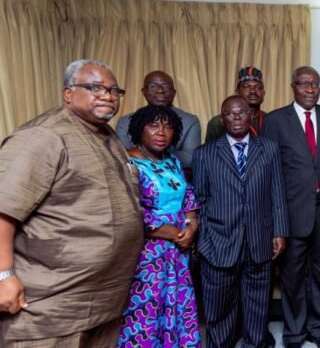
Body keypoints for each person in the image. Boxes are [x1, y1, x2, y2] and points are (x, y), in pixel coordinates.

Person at [0, 59, 143, 347]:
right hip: (50, 306)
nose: (107, 95)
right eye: (94, 87)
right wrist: (4, 275)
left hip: (102, 302)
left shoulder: (107, 136)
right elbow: (4, 210)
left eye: (114, 91)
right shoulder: (43, 137)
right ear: (68, 93)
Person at [193, 95, 289, 347]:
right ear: (222, 118)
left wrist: (279, 232)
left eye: (242, 113)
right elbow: (200, 199)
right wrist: (205, 239)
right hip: (219, 241)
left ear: (251, 116)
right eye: (230, 114)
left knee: (257, 303)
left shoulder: (268, 148)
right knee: (219, 304)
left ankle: (254, 343)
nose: (237, 118)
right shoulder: (204, 154)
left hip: (259, 238)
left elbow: (277, 193)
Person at [263, 66, 320, 348]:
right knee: (293, 276)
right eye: (304, 84)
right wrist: (277, 222)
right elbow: (271, 173)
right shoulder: (274, 121)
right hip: (292, 212)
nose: (310, 89)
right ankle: (294, 332)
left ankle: (318, 329)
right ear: (293, 86)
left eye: (315, 84)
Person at [117, 105, 201, 347]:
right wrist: (177, 233)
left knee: (176, 304)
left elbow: (188, 197)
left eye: (168, 126)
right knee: (146, 309)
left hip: (177, 251)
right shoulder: (127, 162)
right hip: (147, 254)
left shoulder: (172, 160)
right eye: (153, 125)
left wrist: (192, 225)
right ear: (138, 129)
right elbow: (132, 212)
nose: (161, 132)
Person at [116, 70, 201, 171]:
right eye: (153, 86)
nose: (160, 91)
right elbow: (122, 157)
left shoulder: (190, 121)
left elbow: (191, 158)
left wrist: (144, 155)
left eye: (166, 86)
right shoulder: (125, 121)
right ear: (144, 91)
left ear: (174, 93)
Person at [205, 65, 266, 142]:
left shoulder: (271, 120)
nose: (253, 91)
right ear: (237, 92)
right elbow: (208, 152)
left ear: (263, 93)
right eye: (247, 86)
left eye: (258, 87)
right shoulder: (219, 123)